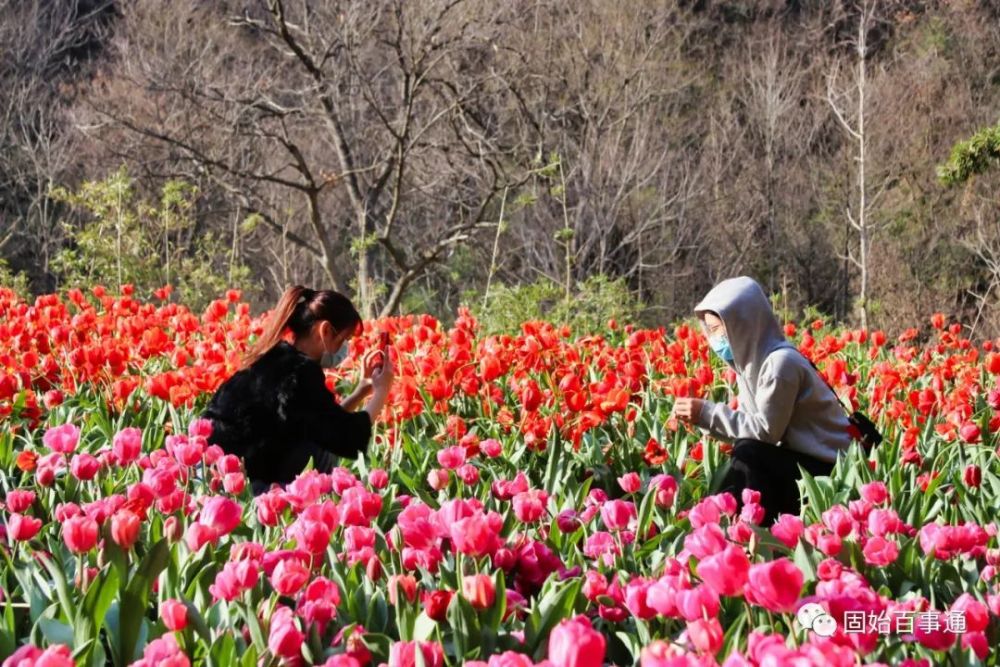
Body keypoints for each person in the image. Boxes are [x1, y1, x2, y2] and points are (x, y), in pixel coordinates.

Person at [672, 276, 851, 525]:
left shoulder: (780, 364)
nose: (712, 339)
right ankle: (726, 526)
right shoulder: (749, 367)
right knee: (746, 452)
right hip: (800, 461)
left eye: (716, 330)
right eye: (709, 331)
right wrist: (702, 418)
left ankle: (732, 527)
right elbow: (750, 431)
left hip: (829, 469)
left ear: (743, 323)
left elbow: (765, 431)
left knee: (749, 454)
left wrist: (706, 413)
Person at [202, 285, 395, 495]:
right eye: (344, 340)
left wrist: (361, 392)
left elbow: (324, 423)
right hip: (246, 488)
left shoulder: (274, 358)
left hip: (208, 475)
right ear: (326, 331)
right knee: (323, 453)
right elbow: (346, 437)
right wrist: (382, 391)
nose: (345, 348)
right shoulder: (300, 372)